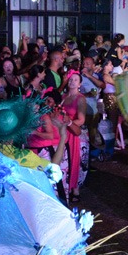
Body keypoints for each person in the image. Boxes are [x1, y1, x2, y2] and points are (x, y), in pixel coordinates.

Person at [56, 71, 89, 203]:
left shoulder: (80, 98)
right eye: (71, 79)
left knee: (72, 159)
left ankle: (74, 188)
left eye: (76, 80)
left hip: (72, 132)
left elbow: (81, 120)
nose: (72, 81)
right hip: (62, 132)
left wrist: (68, 124)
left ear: (80, 84)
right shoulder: (63, 96)